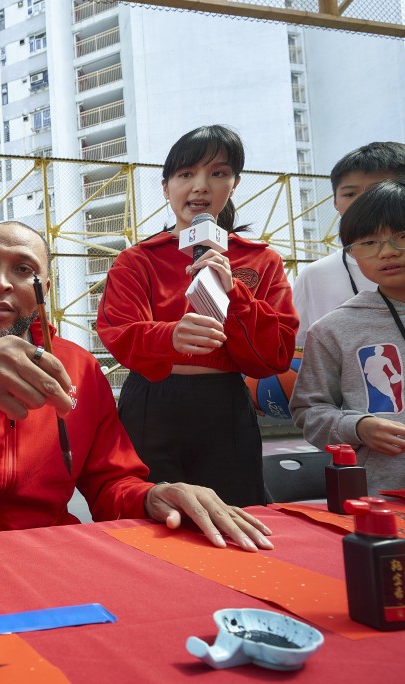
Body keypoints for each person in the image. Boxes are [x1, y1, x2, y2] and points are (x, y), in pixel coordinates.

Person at [0, 221, 274, 552]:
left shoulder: (77, 366)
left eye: (23, 270)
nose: (1, 282)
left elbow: (110, 486)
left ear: (44, 288)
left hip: (48, 555)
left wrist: (154, 495)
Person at [96, 125, 297, 507]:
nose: (200, 186)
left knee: (235, 516)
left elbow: (275, 355)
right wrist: (168, 337)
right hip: (152, 402)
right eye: (186, 174)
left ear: (234, 185)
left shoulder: (261, 260)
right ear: (166, 187)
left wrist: (236, 295)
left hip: (225, 405)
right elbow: (118, 331)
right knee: (152, 517)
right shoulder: (138, 260)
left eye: (217, 173)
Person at [291, 178, 405, 493]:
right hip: (385, 496)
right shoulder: (333, 329)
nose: (387, 251)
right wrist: (357, 427)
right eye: (369, 242)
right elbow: (309, 411)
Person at [293, 142, 405, 348]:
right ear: (335, 202)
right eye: (350, 194)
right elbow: (298, 351)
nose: (363, 203)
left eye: (378, 190)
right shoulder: (314, 275)